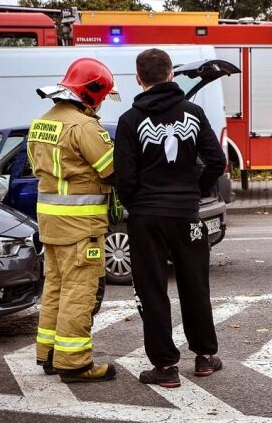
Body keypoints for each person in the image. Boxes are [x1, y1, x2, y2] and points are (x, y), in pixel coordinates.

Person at [114, 48, 226, 388]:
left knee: (152, 290)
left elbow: (124, 177)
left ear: (138, 79)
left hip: (146, 218)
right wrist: (195, 190)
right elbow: (217, 161)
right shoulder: (194, 113)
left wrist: (137, 203)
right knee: (195, 284)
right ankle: (205, 357)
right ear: (171, 75)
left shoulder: (130, 121)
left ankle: (165, 367)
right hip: (185, 215)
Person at [29, 57, 120, 383]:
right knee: (79, 291)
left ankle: (50, 354)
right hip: (81, 226)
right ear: (92, 92)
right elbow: (112, 171)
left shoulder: (43, 122)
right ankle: (75, 363)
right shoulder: (84, 126)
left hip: (50, 224)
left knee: (55, 287)